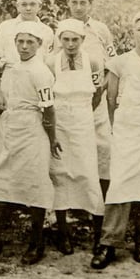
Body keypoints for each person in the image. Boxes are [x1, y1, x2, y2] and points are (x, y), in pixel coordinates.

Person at [90, 11, 140, 269]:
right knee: (121, 183)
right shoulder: (120, 63)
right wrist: (118, 128)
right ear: (133, 34)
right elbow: (111, 100)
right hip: (127, 127)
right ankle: (109, 243)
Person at [0, 21, 61, 265]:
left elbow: (48, 110)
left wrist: (52, 138)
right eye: (20, 42)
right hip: (11, 129)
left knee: (35, 183)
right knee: (3, 177)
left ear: (39, 45)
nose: (24, 46)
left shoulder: (42, 72)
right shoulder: (12, 68)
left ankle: (36, 243)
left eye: (30, 42)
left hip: (32, 131)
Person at [45, 18, 105, 255]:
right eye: (66, 39)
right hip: (60, 122)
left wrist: (82, 114)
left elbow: (97, 93)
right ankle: (63, 234)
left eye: (75, 39)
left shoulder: (92, 61)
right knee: (59, 175)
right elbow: (47, 97)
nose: (70, 44)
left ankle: (100, 237)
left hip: (83, 122)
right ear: (59, 40)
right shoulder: (51, 62)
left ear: (83, 40)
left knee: (88, 174)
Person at [65, 0, 114, 202]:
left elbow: (112, 65)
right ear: (68, 3)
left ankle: (101, 204)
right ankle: (75, 203)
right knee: (73, 149)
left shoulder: (100, 30)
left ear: (90, 4)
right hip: (70, 101)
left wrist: (100, 90)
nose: (78, 7)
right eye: (74, 2)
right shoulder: (62, 28)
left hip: (97, 97)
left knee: (103, 147)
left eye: (82, 3)